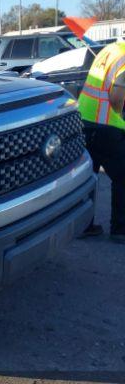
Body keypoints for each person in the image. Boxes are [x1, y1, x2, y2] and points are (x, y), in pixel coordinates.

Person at [78, 42, 125, 242]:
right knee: (123, 177)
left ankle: (83, 226)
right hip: (106, 125)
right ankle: (120, 230)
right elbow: (116, 97)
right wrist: (121, 117)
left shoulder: (111, 49)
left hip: (84, 120)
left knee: (89, 176)